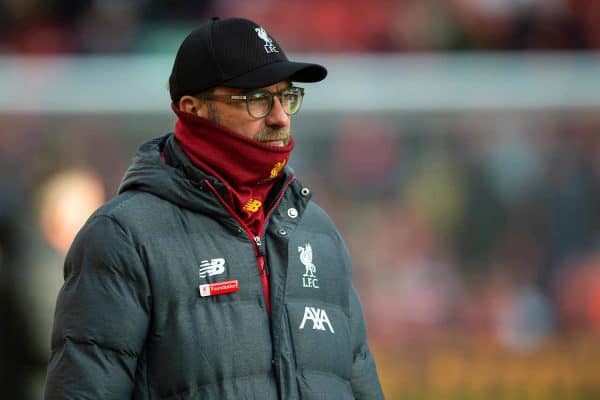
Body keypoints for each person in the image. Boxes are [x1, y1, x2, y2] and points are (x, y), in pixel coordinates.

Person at [44, 17, 384, 399]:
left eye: (287, 96)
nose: (280, 116)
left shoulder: (317, 232)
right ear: (193, 108)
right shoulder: (123, 237)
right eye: (257, 99)